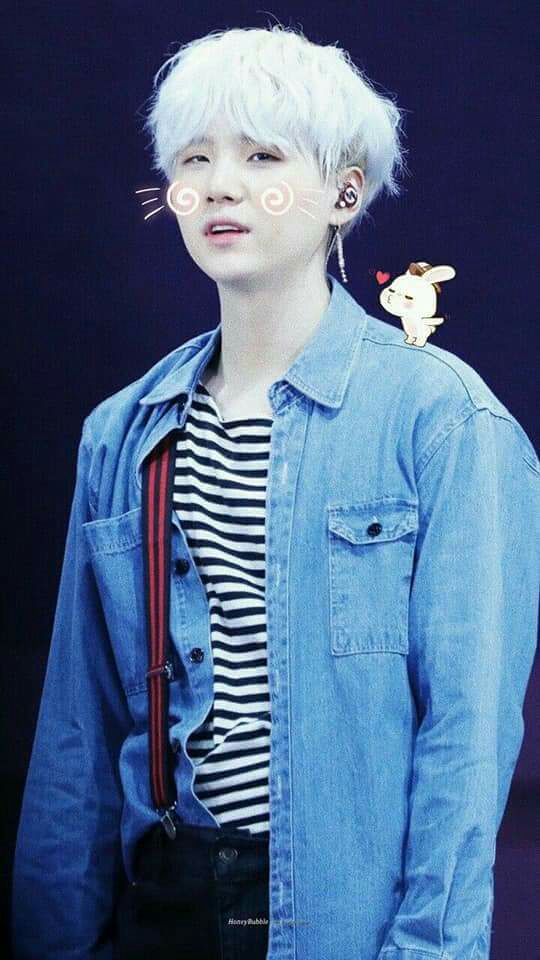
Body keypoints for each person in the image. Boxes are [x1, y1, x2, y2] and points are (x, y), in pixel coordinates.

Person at [12, 22, 540, 960]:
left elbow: (467, 739)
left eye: (262, 156)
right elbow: (77, 733)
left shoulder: (444, 421)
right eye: (195, 158)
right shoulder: (122, 432)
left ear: (344, 192)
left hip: (341, 915)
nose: (220, 184)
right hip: (160, 904)